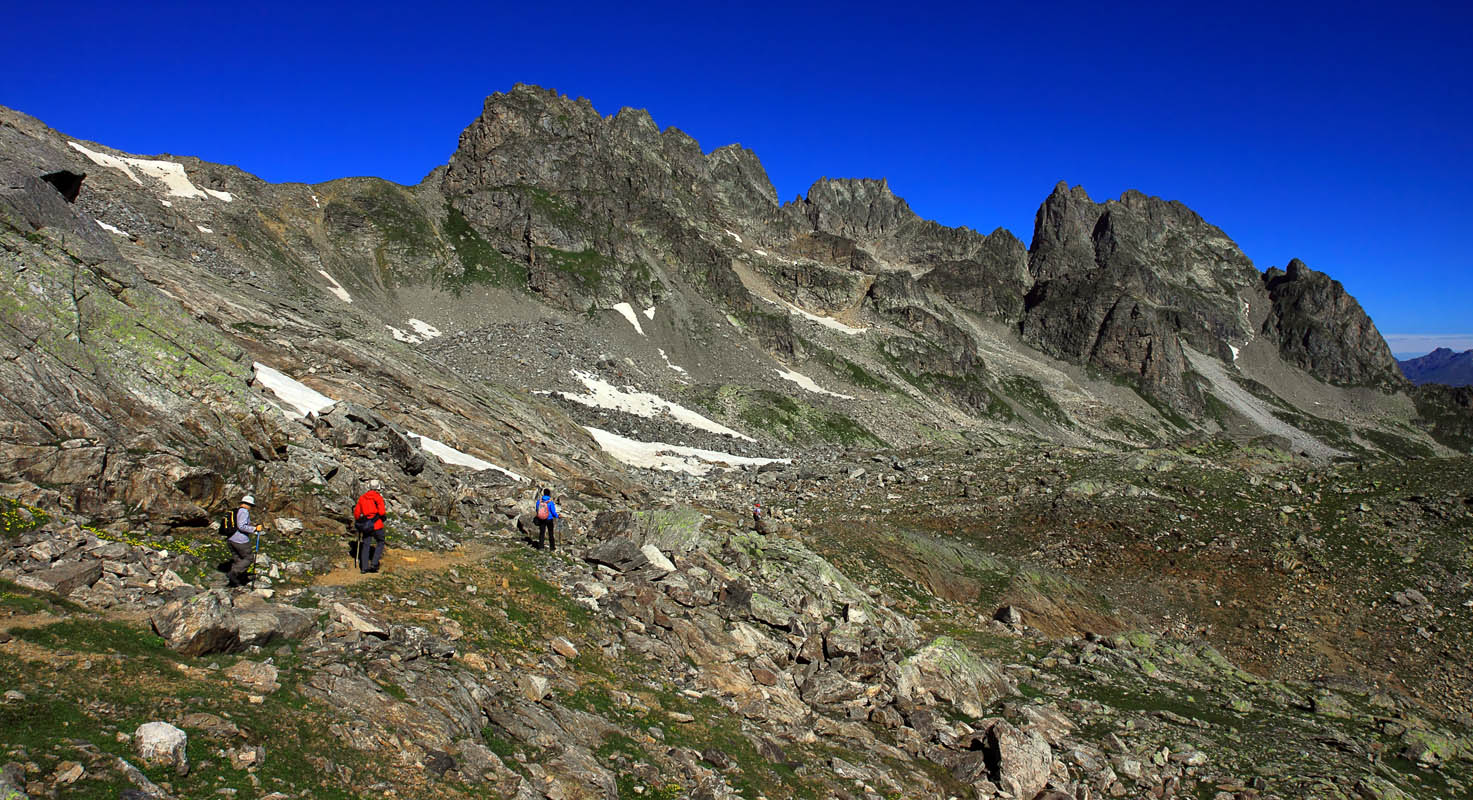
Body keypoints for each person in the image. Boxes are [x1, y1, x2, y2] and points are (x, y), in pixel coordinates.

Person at [227, 494, 266, 587]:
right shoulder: (244, 512)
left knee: (238, 558)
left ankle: (235, 580)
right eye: (251, 506)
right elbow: (241, 526)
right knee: (249, 558)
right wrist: (255, 529)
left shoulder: (235, 511)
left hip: (231, 538)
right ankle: (234, 573)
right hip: (240, 540)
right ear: (248, 504)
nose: (250, 508)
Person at [354, 480, 387, 573]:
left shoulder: (362, 498)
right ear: (377, 488)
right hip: (376, 525)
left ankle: (364, 567)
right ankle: (374, 563)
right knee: (380, 541)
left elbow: (357, 513)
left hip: (366, 525)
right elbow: (382, 512)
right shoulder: (378, 498)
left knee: (365, 544)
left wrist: (359, 521)